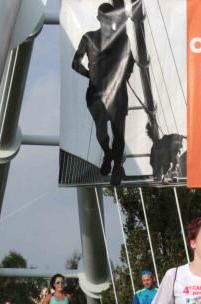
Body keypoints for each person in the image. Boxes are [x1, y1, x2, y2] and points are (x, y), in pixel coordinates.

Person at [71, 1, 135, 186]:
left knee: (104, 130)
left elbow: (75, 64)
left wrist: (90, 76)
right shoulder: (121, 39)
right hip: (115, 92)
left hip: (98, 91)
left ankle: (111, 159)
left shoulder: (89, 37)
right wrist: (122, 78)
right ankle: (113, 162)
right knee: (117, 133)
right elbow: (130, 64)